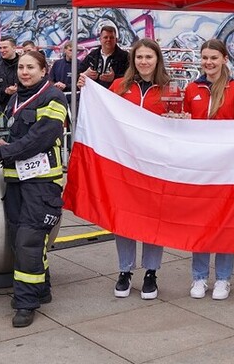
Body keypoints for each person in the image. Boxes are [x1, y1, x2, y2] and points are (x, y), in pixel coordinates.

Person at [80, 38, 170, 299]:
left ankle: (151, 271)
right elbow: (102, 112)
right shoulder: (120, 86)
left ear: (157, 60)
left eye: (149, 57)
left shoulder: (168, 89)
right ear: (133, 60)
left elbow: (179, 123)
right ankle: (125, 271)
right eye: (139, 57)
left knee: (154, 219)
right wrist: (88, 87)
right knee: (124, 218)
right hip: (125, 165)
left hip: (155, 166)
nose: (144, 61)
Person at [0, 51, 67, 327]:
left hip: (41, 184)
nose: (24, 72)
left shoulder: (53, 99)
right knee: (20, 240)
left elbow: (40, 138)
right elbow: (5, 130)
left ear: (44, 70)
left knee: (28, 242)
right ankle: (40, 288)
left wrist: (6, 151)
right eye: (21, 67)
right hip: (14, 182)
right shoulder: (14, 99)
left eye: (31, 67)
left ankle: (26, 302)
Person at [183, 39, 234, 301]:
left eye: (213, 58)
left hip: (226, 168)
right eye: (204, 58)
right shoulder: (192, 89)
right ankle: (199, 277)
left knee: (224, 222)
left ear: (224, 59)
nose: (208, 62)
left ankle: (223, 278)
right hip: (199, 167)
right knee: (200, 223)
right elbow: (186, 123)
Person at [0, 36, 21, 107]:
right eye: (0, 48)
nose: (2, 50)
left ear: (14, 48)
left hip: (22, 105)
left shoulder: (24, 65)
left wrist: (19, 89)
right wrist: (5, 91)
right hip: (2, 108)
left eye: (5, 47)